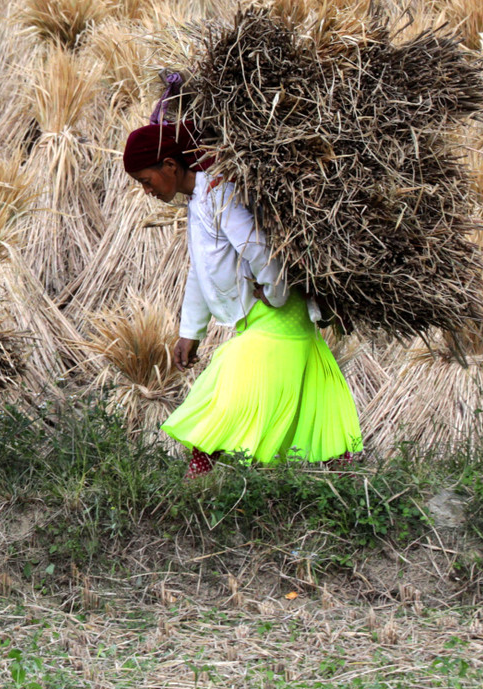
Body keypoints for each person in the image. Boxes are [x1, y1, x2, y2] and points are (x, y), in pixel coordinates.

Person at [123, 121, 363, 478]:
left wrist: (277, 294)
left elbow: (257, 248)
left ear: (170, 166)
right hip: (264, 317)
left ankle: (196, 484)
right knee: (309, 401)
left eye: (146, 179)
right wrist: (191, 331)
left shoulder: (218, 192)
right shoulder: (200, 199)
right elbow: (200, 269)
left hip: (277, 316)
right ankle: (346, 482)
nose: (146, 189)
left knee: (226, 389)